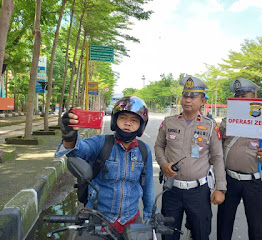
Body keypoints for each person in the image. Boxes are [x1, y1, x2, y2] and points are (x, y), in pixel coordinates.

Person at [55, 96, 154, 235]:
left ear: (141, 126)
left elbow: (148, 186)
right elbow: (78, 150)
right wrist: (69, 136)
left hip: (131, 219)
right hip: (98, 217)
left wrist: (150, 217)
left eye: (134, 120)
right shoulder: (101, 143)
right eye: (123, 118)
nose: (128, 123)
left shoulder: (144, 150)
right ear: (115, 121)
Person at [155, 76, 227, 240]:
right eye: (185, 95)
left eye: (193, 97)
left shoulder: (210, 126)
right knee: (168, 234)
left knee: (201, 233)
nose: (188, 100)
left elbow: (217, 157)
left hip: (198, 192)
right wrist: (163, 164)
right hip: (171, 189)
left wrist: (220, 188)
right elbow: (159, 146)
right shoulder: (169, 122)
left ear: (202, 100)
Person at [217, 78, 262, 240]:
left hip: (256, 182)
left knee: (257, 229)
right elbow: (217, 147)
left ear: (254, 97)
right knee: (223, 225)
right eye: (237, 96)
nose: (240, 99)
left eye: (244, 96)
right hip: (229, 180)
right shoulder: (228, 122)